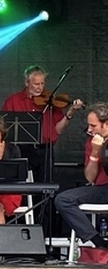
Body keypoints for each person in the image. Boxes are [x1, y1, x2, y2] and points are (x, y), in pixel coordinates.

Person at [2, 65, 84, 183]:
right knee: (20, 186)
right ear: (27, 82)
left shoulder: (50, 102)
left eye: (42, 83)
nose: (40, 88)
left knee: (45, 187)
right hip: (21, 150)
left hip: (45, 150)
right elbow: (4, 127)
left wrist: (70, 113)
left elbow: (58, 130)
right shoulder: (13, 101)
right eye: (36, 84)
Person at [55, 102, 108, 250]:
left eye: (93, 126)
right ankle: (98, 241)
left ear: (106, 124)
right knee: (63, 199)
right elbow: (90, 178)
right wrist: (95, 153)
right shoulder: (92, 142)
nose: (90, 130)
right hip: (101, 189)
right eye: (89, 126)